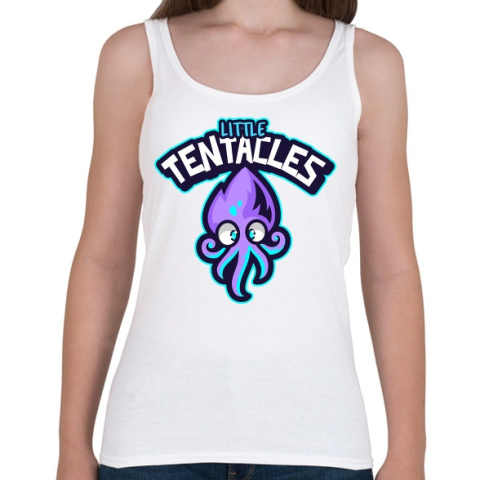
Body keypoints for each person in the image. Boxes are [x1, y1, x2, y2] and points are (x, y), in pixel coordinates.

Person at [56, 0, 426, 479]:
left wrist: (409, 452)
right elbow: (102, 261)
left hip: (318, 443)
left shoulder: (368, 64)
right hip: (153, 443)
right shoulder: (137, 55)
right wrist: (71, 445)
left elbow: (390, 272)